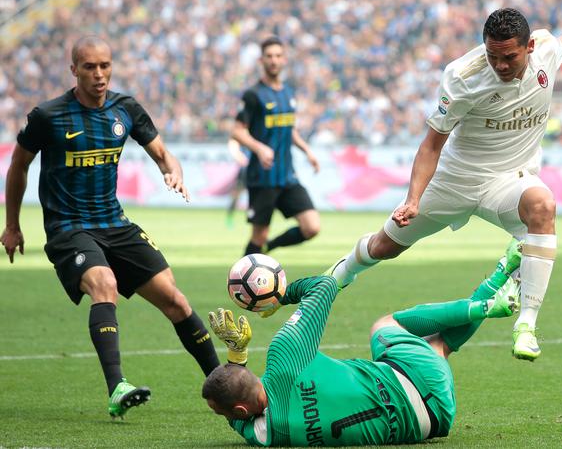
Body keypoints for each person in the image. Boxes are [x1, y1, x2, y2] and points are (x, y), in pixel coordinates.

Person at [326, 8, 562, 361]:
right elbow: (431, 145)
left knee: (543, 207)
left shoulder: (546, 49)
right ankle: (340, 274)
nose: (500, 65)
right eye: (492, 56)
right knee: (385, 247)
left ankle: (526, 325)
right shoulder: (462, 77)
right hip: (456, 179)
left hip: (508, 180)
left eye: (509, 57)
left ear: (530, 46)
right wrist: (413, 200)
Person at [0, 36, 220, 418]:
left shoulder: (125, 109)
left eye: (105, 66)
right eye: (89, 67)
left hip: (115, 223)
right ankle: (117, 387)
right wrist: (13, 225)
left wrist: (174, 174)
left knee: (176, 301)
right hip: (69, 227)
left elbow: (165, 155)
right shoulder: (49, 116)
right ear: (74, 70)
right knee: (105, 284)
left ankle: (220, 380)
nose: (99, 75)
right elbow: (18, 165)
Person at [202, 242, 521, 446]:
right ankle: (486, 305)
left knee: (438, 348)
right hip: (411, 376)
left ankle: (503, 272)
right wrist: (278, 298)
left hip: (434, 418)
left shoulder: (267, 437)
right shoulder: (283, 360)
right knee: (385, 327)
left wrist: (237, 356)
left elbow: (236, 414)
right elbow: (323, 286)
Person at [231, 36, 321, 256]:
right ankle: (240, 281)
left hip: (287, 176)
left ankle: (269, 248)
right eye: (269, 56)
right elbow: (237, 131)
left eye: (278, 56)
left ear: (284, 60)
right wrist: (259, 148)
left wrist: (307, 150)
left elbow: (289, 129)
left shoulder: (288, 93)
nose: (274, 60)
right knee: (258, 235)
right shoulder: (253, 95)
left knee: (311, 227)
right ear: (262, 60)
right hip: (263, 177)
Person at [225, 137, 250, 228]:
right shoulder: (243, 139)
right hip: (244, 173)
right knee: (235, 197)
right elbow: (232, 143)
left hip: (255, 173)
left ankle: (252, 219)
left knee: (255, 198)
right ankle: (229, 218)